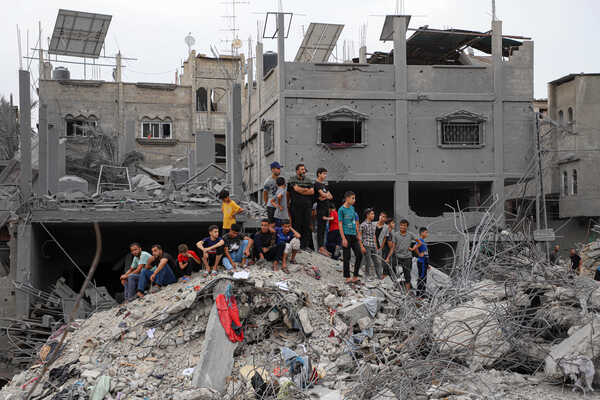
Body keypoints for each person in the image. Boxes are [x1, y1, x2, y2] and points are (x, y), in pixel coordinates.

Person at [288, 164, 315, 250]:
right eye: (302, 169)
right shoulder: (292, 179)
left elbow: (312, 192)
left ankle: (305, 245)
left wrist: (301, 190)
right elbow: (295, 189)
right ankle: (296, 245)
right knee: (297, 225)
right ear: (297, 171)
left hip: (307, 207)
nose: (304, 171)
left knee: (306, 225)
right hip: (295, 207)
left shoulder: (308, 180)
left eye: (304, 169)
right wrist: (305, 190)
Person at [339, 191, 363, 284]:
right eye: (352, 198)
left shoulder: (352, 208)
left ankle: (355, 276)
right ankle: (347, 277)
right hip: (346, 235)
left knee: (359, 255)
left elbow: (354, 222)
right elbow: (340, 225)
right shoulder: (341, 210)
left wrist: (358, 233)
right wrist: (343, 238)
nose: (354, 200)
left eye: (354, 198)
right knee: (347, 257)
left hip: (354, 235)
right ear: (347, 198)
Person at [387, 219, 416, 290]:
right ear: (399, 226)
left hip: (407, 257)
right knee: (390, 268)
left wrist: (413, 248)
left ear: (407, 227)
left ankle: (407, 292)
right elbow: (393, 247)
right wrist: (388, 257)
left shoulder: (410, 234)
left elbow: (419, 242)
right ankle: (394, 286)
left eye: (404, 226)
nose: (402, 227)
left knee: (407, 275)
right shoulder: (396, 234)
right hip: (398, 257)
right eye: (401, 225)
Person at [314, 168, 333, 257]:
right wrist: (325, 196)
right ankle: (320, 247)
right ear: (319, 174)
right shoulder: (317, 184)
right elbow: (323, 195)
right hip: (321, 209)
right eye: (324, 174)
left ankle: (323, 247)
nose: (325, 176)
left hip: (326, 208)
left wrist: (325, 196)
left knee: (324, 229)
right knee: (320, 228)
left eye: (326, 174)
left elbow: (330, 196)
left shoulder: (324, 185)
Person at [359, 208, 381, 280]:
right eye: (372, 214)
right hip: (366, 245)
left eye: (373, 214)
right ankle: (367, 276)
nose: (373, 215)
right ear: (367, 215)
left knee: (376, 262)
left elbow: (374, 235)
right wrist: (361, 246)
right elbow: (359, 236)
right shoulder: (363, 225)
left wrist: (376, 246)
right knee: (368, 261)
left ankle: (379, 277)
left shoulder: (373, 225)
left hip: (373, 245)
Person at [412, 227, 430, 299]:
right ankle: (419, 295)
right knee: (421, 278)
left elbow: (425, 253)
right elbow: (415, 247)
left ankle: (422, 294)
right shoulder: (419, 240)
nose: (427, 234)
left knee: (424, 278)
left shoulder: (423, 241)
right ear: (422, 233)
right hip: (421, 262)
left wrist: (427, 264)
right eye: (426, 232)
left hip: (425, 262)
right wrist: (419, 254)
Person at [375, 211, 390, 278]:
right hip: (372, 243)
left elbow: (385, 238)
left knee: (380, 260)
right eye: (381, 216)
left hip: (380, 244)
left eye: (384, 217)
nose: (382, 217)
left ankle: (379, 275)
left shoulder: (386, 227)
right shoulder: (373, 224)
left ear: (385, 219)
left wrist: (381, 247)